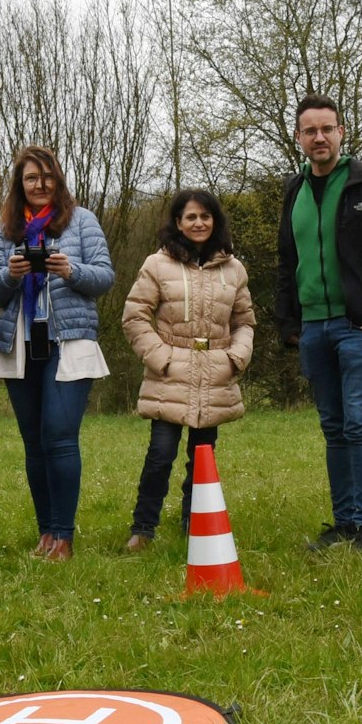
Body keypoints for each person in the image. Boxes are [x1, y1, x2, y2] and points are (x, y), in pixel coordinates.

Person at [275, 94, 362, 552]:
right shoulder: (293, 191)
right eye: (310, 131)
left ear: (341, 132)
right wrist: (289, 324)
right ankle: (343, 524)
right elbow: (287, 261)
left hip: (361, 327)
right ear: (299, 138)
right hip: (313, 329)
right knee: (333, 428)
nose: (319, 137)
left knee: (358, 424)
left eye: (327, 129)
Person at [0, 145, 114, 561]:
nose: (40, 185)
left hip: (68, 340)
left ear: (58, 179)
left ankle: (64, 536)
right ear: (20, 184)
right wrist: (10, 274)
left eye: (47, 176)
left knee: (58, 435)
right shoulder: (7, 229)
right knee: (34, 442)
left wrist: (70, 270)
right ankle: (45, 532)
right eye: (31, 178)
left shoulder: (82, 220)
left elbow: (105, 277)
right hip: (20, 344)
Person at [121, 189, 256, 550]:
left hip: (215, 374)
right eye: (191, 217)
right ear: (178, 222)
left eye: (205, 216)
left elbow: (245, 322)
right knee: (160, 454)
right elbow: (134, 317)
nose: (198, 223)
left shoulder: (234, 268)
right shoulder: (157, 264)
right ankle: (143, 529)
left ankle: (194, 524)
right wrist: (161, 359)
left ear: (215, 221)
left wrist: (235, 358)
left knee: (203, 457)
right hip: (170, 374)